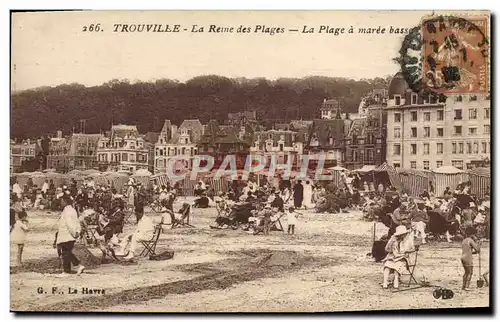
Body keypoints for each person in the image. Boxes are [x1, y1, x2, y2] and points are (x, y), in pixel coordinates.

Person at [56, 195, 85, 275]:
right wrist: (77, 231)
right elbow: (77, 222)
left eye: (61, 201)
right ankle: (69, 269)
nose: (60, 203)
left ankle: (74, 267)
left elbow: (70, 224)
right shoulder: (72, 210)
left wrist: (74, 233)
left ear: (65, 202)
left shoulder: (67, 211)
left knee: (66, 253)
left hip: (67, 235)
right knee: (67, 252)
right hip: (69, 235)